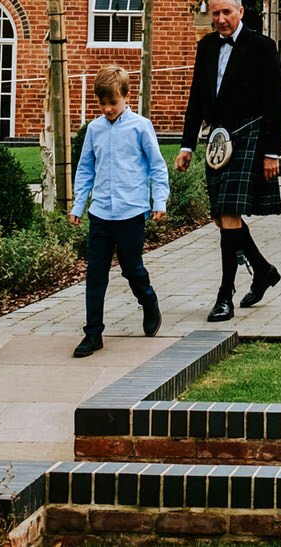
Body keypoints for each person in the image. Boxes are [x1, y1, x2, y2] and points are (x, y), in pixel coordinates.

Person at [177, 0, 281, 322]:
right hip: (217, 140)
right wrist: (186, 145)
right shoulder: (206, 46)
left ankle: (224, 295)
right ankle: (263, 269)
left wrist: (273, 152)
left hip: (250, 136)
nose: (221, 19)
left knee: (228, 215)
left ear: (240, 12)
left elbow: (276, 102)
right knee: (222, 217)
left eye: (227, 12)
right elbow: (197, 97)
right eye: (216, 13)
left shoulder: (262, 47)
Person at [68, 64, 167, 358]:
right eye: (103, 103)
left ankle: (148, 301)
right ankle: (93, 333)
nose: (108, 109)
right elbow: (85, 169)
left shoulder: (140, 127)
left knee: (132, 268)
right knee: (95, 274)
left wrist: (158, 200)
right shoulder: (94, 130)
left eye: (113, 102)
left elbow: (157, 166)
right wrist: (78, 205)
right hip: (100, 214)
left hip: (131, 212)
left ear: (125, 96)